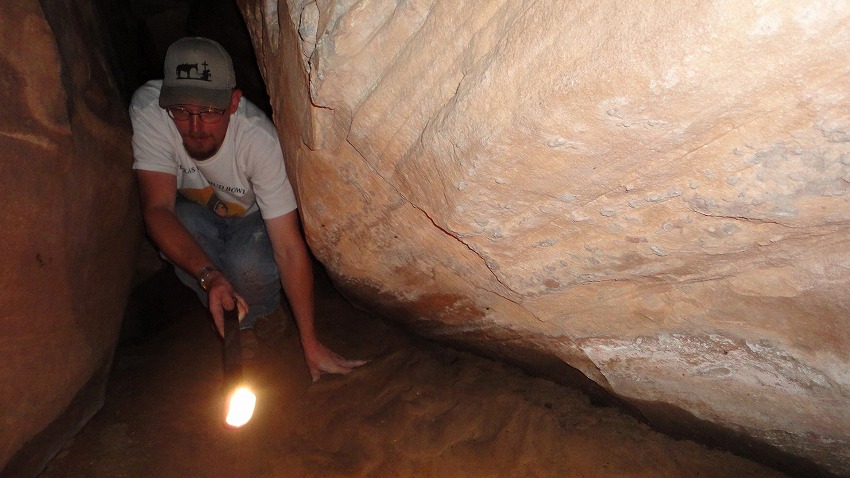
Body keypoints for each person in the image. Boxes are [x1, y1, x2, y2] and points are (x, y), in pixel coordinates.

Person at [129, 36, 366, 381]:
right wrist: (211, 277)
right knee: (182, 227)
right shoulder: (150, 111)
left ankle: (262, 314)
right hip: (197, 215)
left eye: (210, 112)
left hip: (250, 222)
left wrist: (310, 342)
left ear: (234, 102)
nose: (195, 127)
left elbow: (287, 246)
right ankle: (237, 318)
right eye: (182, 111)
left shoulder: (258, 142)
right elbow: (158, 209)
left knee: (248, 262)